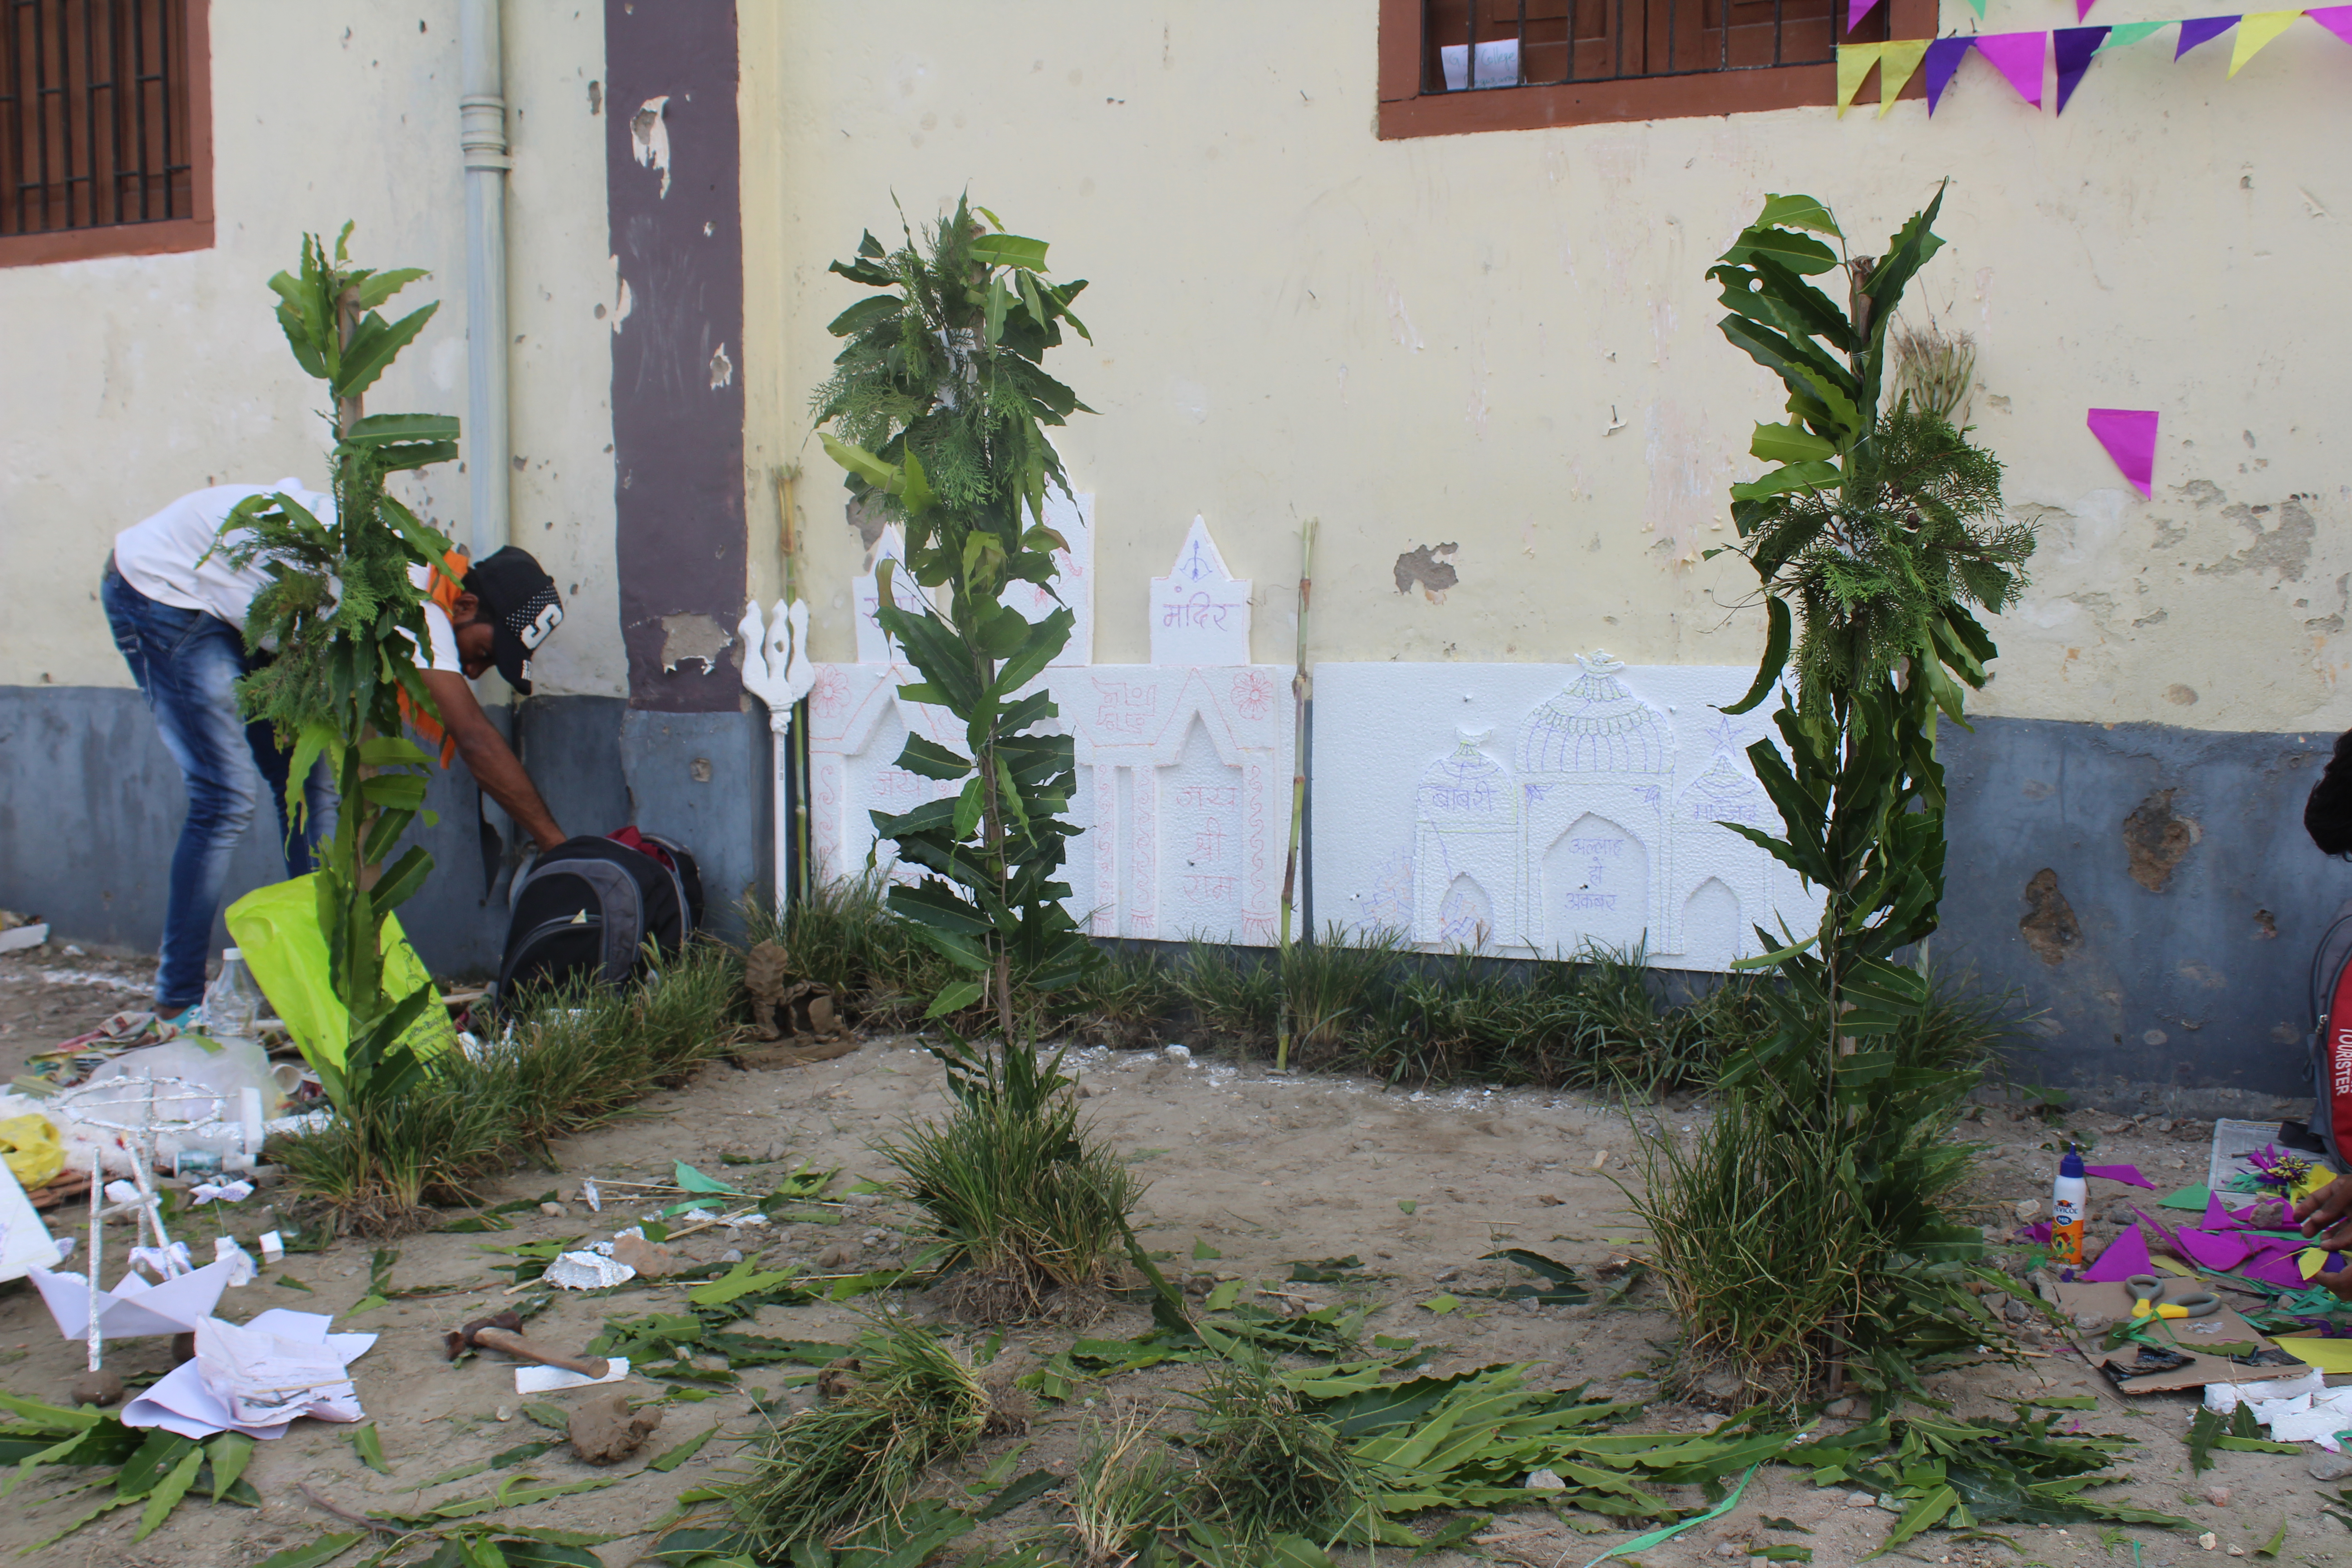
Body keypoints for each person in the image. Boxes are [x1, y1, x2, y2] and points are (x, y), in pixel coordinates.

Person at [102, 478, 568, 1022]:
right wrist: (557, 845)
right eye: (483, 653)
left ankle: (332, 979)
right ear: (463, 605)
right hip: (166, 586)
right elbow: (475, 740)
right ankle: (177, 999)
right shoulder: (415, 598)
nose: (472, 671)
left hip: (245, 607)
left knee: (310, 792)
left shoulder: (417, 583)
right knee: (224, 796)